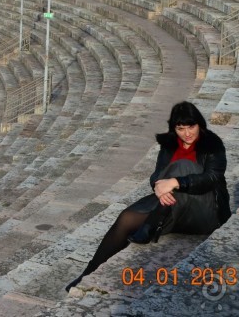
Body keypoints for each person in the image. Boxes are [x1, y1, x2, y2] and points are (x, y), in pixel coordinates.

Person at [66, 101, 230, 292]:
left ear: (199, 124)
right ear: (173, 128)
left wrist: (175, 182)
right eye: (180, 128)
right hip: (172, 206)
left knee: (182, 167)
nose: (187, 133)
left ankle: (153, 221)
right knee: (126, 217)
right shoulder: (169, 145)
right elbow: (156, 176)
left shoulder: (213, 144)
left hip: (206, 211)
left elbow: (212, 178)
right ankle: (88, 272)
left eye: (191, 126)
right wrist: (158, 188)